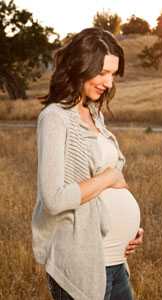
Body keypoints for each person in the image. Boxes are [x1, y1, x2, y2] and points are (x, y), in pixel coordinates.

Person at [32, 27, 144, 300]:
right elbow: (55, 200)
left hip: (115, 261)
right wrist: (109, 177)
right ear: (81, 65)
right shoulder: (55, 118)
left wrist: (129, 231)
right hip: (83, 265)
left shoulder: (95, 115)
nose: (109, 83)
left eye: (113, 75)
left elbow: (106, 188)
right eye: (103, 72)